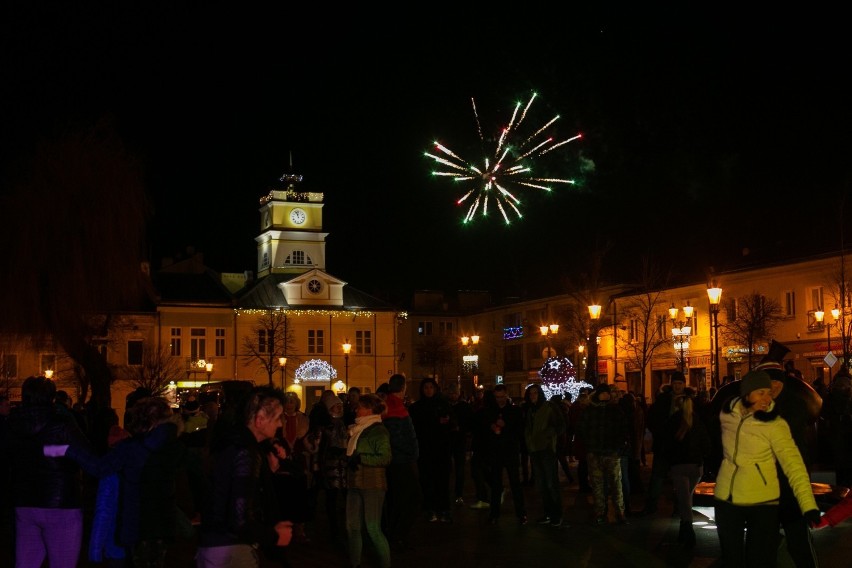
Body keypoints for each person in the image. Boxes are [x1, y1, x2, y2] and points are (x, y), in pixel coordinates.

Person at [46, 396, 190, 567]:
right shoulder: (177, 447)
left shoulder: (132, 448)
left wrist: (66, 449)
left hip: (137, 524)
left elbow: (99, 468)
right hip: (164, 523)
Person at [714, 370, 820, 567]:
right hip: (727, 502)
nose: (767, 398)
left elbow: (794, 465)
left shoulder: (775, 425)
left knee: (760, 560)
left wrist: (808, 505)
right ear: (746, 393)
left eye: (769, 393)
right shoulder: (728, 414)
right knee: (731, 560)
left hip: (762, 502)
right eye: (761, 392)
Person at [195, 386, 293, 568]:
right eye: (278, 417)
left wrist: (263, 471)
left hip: (215, 543)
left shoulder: (232, 442)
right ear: (260, 419)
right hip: (229, 549)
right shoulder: (245, 452)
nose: (280, 424)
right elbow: (239, 517)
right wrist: (274, 535)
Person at [7, 376, 92, 568]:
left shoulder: (12, 424)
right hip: (61, 503)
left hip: (24, 503)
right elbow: (85, 455)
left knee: (26, 563)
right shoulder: (62, 423)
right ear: (52, 397)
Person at [756, 339, 821, 567]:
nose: (774, 385)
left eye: (777, 381)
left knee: (799, 545)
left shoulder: (794, 407)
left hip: (791, 490)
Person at [345, 393, 392, 568]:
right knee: (352, 527)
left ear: (369, 410)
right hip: (354, 483)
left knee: (373, 528)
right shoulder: (357, 429)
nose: (356, 409)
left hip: (373, 485)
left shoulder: (378, 430)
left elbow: (385, 458)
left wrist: (361, 458)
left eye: (360, 406)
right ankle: (354, 563)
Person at [661, 394, 710, 546]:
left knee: (684, 499)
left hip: (679, 465)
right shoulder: (698, 421)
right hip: (695, 466)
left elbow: (666, 444)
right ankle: (685, 529)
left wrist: (668, 463)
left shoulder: (672, 421)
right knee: (687, 496)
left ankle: (687, 530)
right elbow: (706, 443)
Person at [579, 383, 630, 525]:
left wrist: (618, 446)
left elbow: (623, 429)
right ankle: (600, 512)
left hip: (611, 452)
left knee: (616, 484)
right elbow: (582, 429)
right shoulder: (590, 411)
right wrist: (589, 445)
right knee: (597, 484)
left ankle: (619, 511)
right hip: (595, 453)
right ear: (598, 394)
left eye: (607, 393)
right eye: (603, 393)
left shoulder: (615, 410)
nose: (606, 395)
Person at [640, 371, 689, 516]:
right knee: (657, 478)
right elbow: (652, 419)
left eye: (680, 383)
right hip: (664, 445)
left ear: (684, 384)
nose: (677, 386)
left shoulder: (689, 400)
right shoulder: (663, 399)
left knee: (679, 480)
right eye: (675, 383)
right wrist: (660, 431)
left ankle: (679, 508)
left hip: (681, 447)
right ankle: (651, 506)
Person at [381, 373, 421, 551]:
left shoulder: (390, 405)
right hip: (401, 461)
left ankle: (394, 533)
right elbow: (396, 437)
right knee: (411, 499)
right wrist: (411, 452)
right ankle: (398, 534)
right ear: (403, 387)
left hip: (398, 460)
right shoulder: (395, 407)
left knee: (398, 499)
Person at [481, 384, 527, 525]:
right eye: (497, 397)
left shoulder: (515, 411)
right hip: (496, 452)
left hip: (510, 451)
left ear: (506, 395)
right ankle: (494, 513)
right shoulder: (490, 411)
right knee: (496, 484)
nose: (499, 400)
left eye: (501, 397)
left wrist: (505, 426)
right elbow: (484, 427)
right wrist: (492, 427)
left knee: (515, 483)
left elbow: (519, 430)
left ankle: (521, 513)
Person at [409, 377, 452, 523]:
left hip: (441, 450)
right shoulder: (417, 408)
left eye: (431, 387)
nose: (428, 390)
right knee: (427, 481)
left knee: (442, 480)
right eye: (425, 387)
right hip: (425, 450)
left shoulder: (443, 405)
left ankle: (443, 508)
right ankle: (429, 508)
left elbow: (450, 425)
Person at [523, 384, 566, 527]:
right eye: (531, 393)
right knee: (542, 484)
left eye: (535, 393)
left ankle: (556, 514)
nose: (533, 396)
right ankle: (548, 513)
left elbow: (560, 426)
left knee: (551, 483)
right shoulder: (530, 411)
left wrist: (547, 436)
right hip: (535, 451)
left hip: (546, 450)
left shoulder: (549, 407)